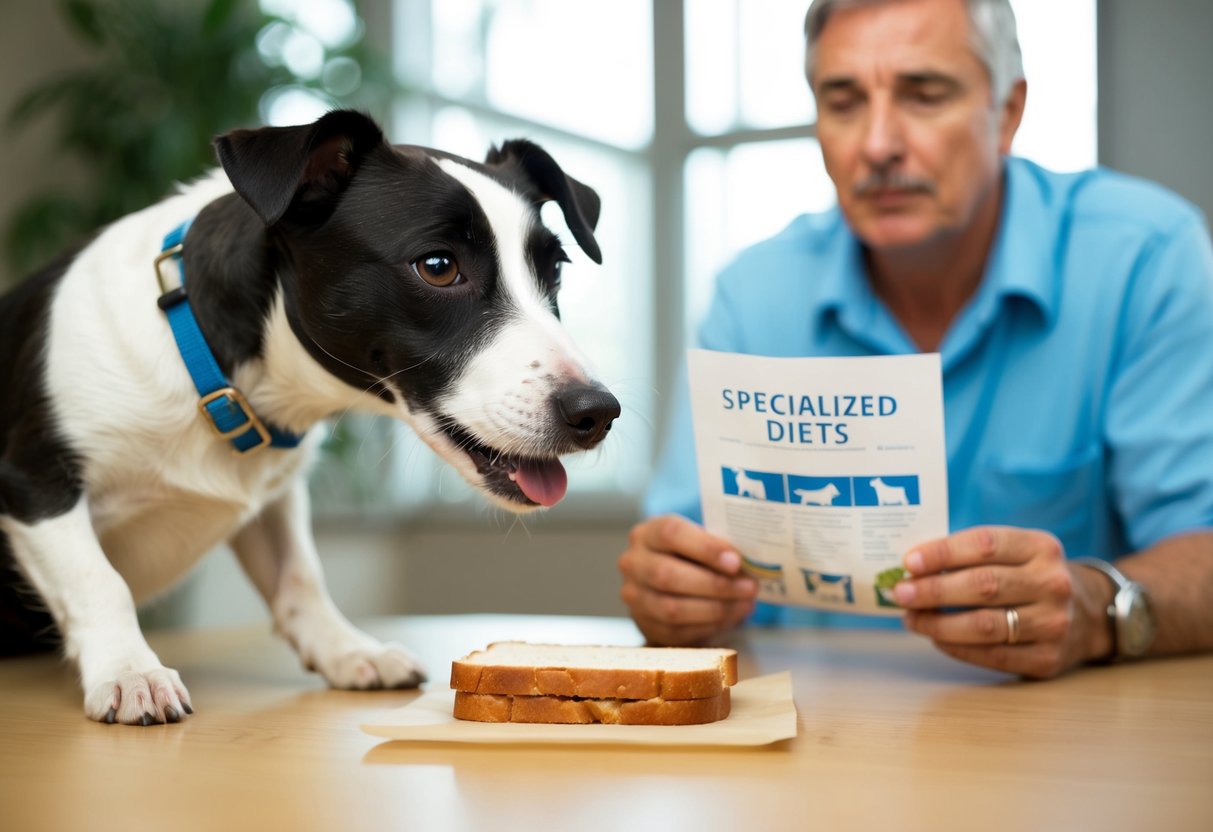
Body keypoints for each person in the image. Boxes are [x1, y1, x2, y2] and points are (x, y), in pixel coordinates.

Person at [618, 0, 1213, 678]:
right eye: (842, 103)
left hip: (1056, 741)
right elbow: (674, 561)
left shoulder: (1142, 258)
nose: (876, 144)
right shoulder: (752, 294)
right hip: (804, 735)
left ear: (1007, 113)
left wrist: (1094, 606)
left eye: (923, 96)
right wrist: (668, 589)